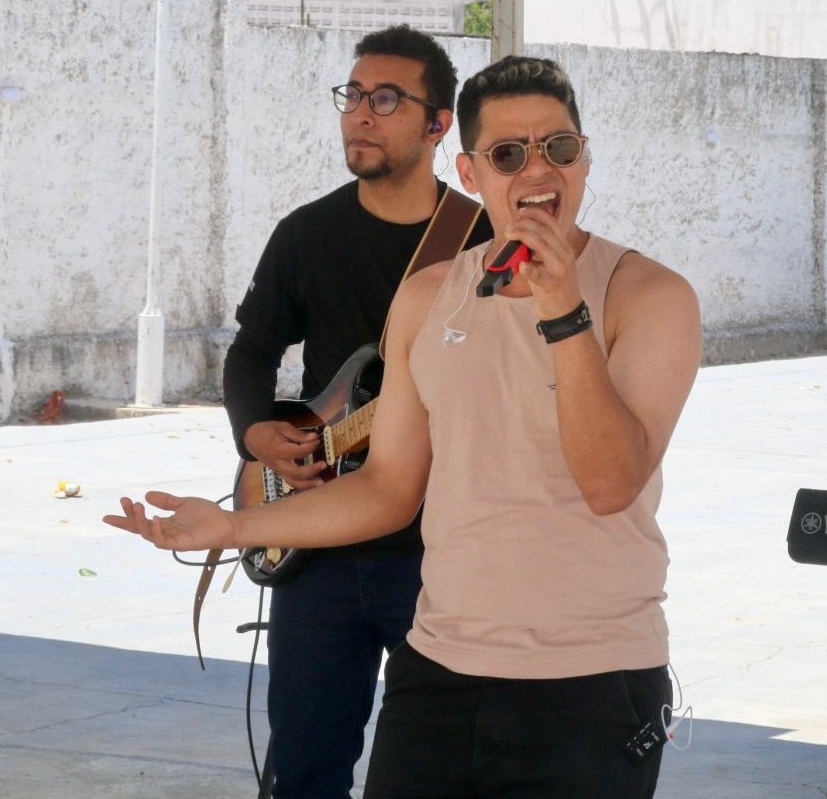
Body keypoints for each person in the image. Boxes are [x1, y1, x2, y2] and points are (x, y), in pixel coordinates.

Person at [113, 55, 703, 799]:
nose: (537, 170)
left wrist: (562, 311)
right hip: (437, 674)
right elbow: (389, 488)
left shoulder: (649, 295)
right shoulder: (428, 296)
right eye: (508, 154)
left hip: (592, 678)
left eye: (558, 147)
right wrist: (232, 527)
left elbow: (612, 483)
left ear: (584, 159)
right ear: (471, 172)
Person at [221, 24, 490, 798]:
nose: (361, 114)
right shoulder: (307, 234)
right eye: (353, 95)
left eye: (387, 99)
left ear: (438, 125)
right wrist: (257, 433)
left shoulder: (483, 240)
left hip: (439, 549)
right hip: (319, 543)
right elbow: (251, 352)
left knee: (435, 770)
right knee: (305, 770)